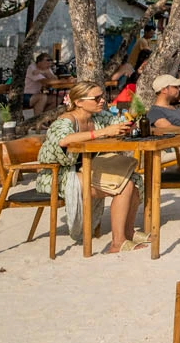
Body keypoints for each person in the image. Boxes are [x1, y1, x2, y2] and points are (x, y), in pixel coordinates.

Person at [37, 81, 145, 254]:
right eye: (96, 98)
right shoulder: (65, 121)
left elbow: (116, 123)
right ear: (79, 102)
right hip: (59, 174)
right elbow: (64, 140)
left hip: (87, 169)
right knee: (124, 186)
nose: (102, 101)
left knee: (134, 179)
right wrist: (102, 133)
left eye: (103, 96)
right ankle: (117, 243)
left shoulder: (98, 117)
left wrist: (127, 124)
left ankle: (128, 232)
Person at [148, 73, 180, 167]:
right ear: (164, 90)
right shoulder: (155, 111)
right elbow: (167, 128)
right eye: (175, 87)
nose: (179, 89)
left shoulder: (174, 108)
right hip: (175, 142)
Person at [23, 53, 61, 119]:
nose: (49, 63)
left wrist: (45, 72)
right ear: (39, 62)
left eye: (50, 60)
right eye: (47, 60)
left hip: (35, 95)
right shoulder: (32, 68)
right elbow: (45, 81)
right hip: (24, 96)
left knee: (57, 99)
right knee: (42, 97)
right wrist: (46, 73)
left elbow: (55, 80)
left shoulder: (46, 68)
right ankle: (36, 121)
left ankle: (44, 118)